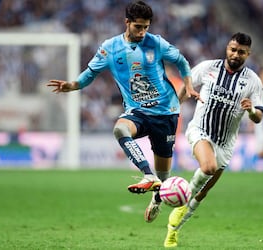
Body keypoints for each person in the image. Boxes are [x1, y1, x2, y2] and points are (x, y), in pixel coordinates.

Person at [46, 0, 201, 223]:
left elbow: (181, 61)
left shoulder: (155, 43)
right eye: (138, 26)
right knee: (120, 130)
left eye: (146, 27)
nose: (143, 32)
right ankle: (147, 175)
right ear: (126, 22)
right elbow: (91, 72)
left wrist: (188, 85)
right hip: (137, 111)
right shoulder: (110, 48)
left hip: (166, 112)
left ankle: (157, 197)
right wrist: (73, 85)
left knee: (165, 177)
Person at [164, 32, 263, 248]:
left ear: (248, 54)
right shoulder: (208, 67)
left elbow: (258, 117)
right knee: (208, 167)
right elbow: (186, 86)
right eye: (233, 49)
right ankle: (181, 204)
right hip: (200, 130)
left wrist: (251, 110)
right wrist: (173, 109)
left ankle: (173, 231)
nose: (235, 54)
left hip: (226, 144)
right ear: (227, 48)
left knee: (203, 192)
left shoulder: (253, 81)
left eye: (241, 52)